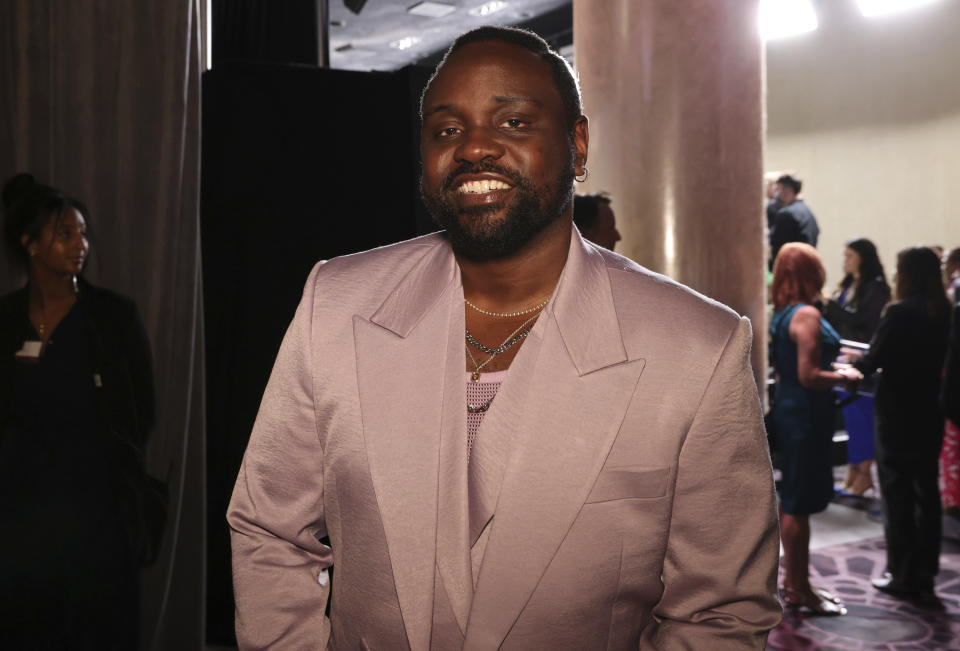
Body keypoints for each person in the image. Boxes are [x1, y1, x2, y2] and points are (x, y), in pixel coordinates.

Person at [228, 26, 782, 649]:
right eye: (446, 129)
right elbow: (269, 528)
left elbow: (720, 613)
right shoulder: (337, 300)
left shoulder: (698, 348)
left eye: (513, 122)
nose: (473, 149)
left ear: (577, 144)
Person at [0, 173, 156, 647]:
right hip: (20, 515)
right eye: (65, 233)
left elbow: (140, 410)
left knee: (95, 628)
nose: (80, 244)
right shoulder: (5, 320)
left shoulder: (112, 317)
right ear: (30, 244)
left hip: (95, 514)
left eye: (83, 232)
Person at [849, 247, 950, 606]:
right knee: (926, 490)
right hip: (929, 411)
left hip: (896, 413)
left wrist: (853, 361)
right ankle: (925, 573)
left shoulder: (898, 311)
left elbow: (874, 359)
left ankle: (901, 573)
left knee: (897, 492)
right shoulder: (945, 312)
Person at [769, 242, 862, 617]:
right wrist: (844, 375)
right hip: (806, 417)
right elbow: (809, 375)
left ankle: (795, 583)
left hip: (791, 413)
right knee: (798, 504)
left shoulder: (783, 313)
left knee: (794, 499)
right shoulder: (806, 314)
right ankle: (799, 588)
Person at [824, 237, 891, 495]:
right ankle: (854, 472)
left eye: (850, 255)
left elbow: (863, 322)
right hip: (842, 357)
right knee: (851, 421)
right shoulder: (849, 284)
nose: (845, 261)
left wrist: (830, 304)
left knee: (863, 419)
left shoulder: (877, 287)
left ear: (863, 257)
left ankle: (864, 474)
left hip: (863, 359)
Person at [768, 173, 819, 270]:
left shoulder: (786, 214)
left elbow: (777, 246)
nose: (776, 194)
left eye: (778, 189)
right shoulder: (807, 211)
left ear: (787, 190)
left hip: (792, 269)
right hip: (807, 267)